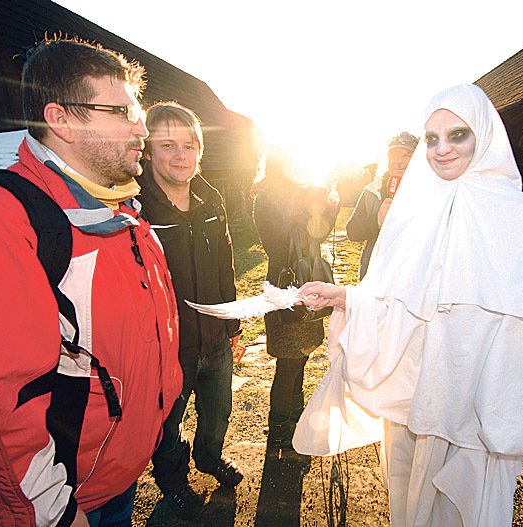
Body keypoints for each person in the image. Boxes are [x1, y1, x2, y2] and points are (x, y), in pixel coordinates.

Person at [0, 38, 182, 527]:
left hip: (116, 481)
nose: (141, 128)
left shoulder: (120, 212)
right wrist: (54, 513)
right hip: (64, 503)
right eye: (124, 111)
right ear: (62, 119)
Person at [294, 84, 523, 526]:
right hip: (416, 399)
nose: (442, 149)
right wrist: (347, 297)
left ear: (484, 134)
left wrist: (501, 406)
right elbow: (394, 300)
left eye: (457, 135)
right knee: (413, 502)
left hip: (477, 403)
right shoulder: (413, 213)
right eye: (432, 138)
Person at [138, 102, 244, 510]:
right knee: (168, 423)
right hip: (168, 347)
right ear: (148, 151)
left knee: (218, 411)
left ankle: (210, 457)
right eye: (168, 145)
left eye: (188, 145)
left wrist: (232, 325)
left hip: (215, 337)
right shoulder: (138, 209)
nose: (181, 155)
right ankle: (173, 482)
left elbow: (224, 268)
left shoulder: (211, 203)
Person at [252, 147, 340, 459]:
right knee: (288, 364)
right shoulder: (268, 198)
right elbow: (289, 238)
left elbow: (318, 233)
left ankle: (294, 422)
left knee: (299, 358)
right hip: (287, 287)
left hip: (299, 283)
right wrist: (318, 205)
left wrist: (326, 205)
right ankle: (279, 433)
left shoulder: (292, 195)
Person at [346, 131, 418, 279]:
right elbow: (351, 231)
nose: (398, 161)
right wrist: (377, 221)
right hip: (375, 277)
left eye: (406, 156)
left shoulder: (431, 192)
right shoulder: (372, 190)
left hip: (412, 277)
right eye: (394, 155)